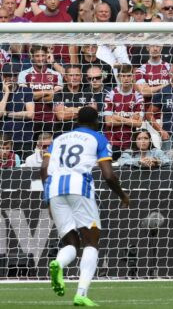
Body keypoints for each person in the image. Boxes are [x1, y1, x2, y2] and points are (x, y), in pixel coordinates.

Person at [42, 106, 129, 307]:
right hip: (80, 186)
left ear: (76, 120)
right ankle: (81, 293)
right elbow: (108, 174)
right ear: (96, 122)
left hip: (55, 188)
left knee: (71, 242)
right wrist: (122, 195)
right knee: (91, 241)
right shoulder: (98, 138)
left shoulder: (59, 139)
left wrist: (48, 198)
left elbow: (44, 169)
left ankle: (59, 263)